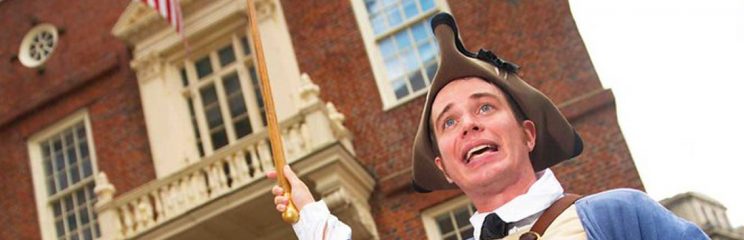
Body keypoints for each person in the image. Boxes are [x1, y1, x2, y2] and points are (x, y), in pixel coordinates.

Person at [269, 13, 708, 240]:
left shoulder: (619, 216)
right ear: (445, 168)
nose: (468, 127)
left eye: (484, 109)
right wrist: (311, 215)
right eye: (450, 121)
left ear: (528, 134)